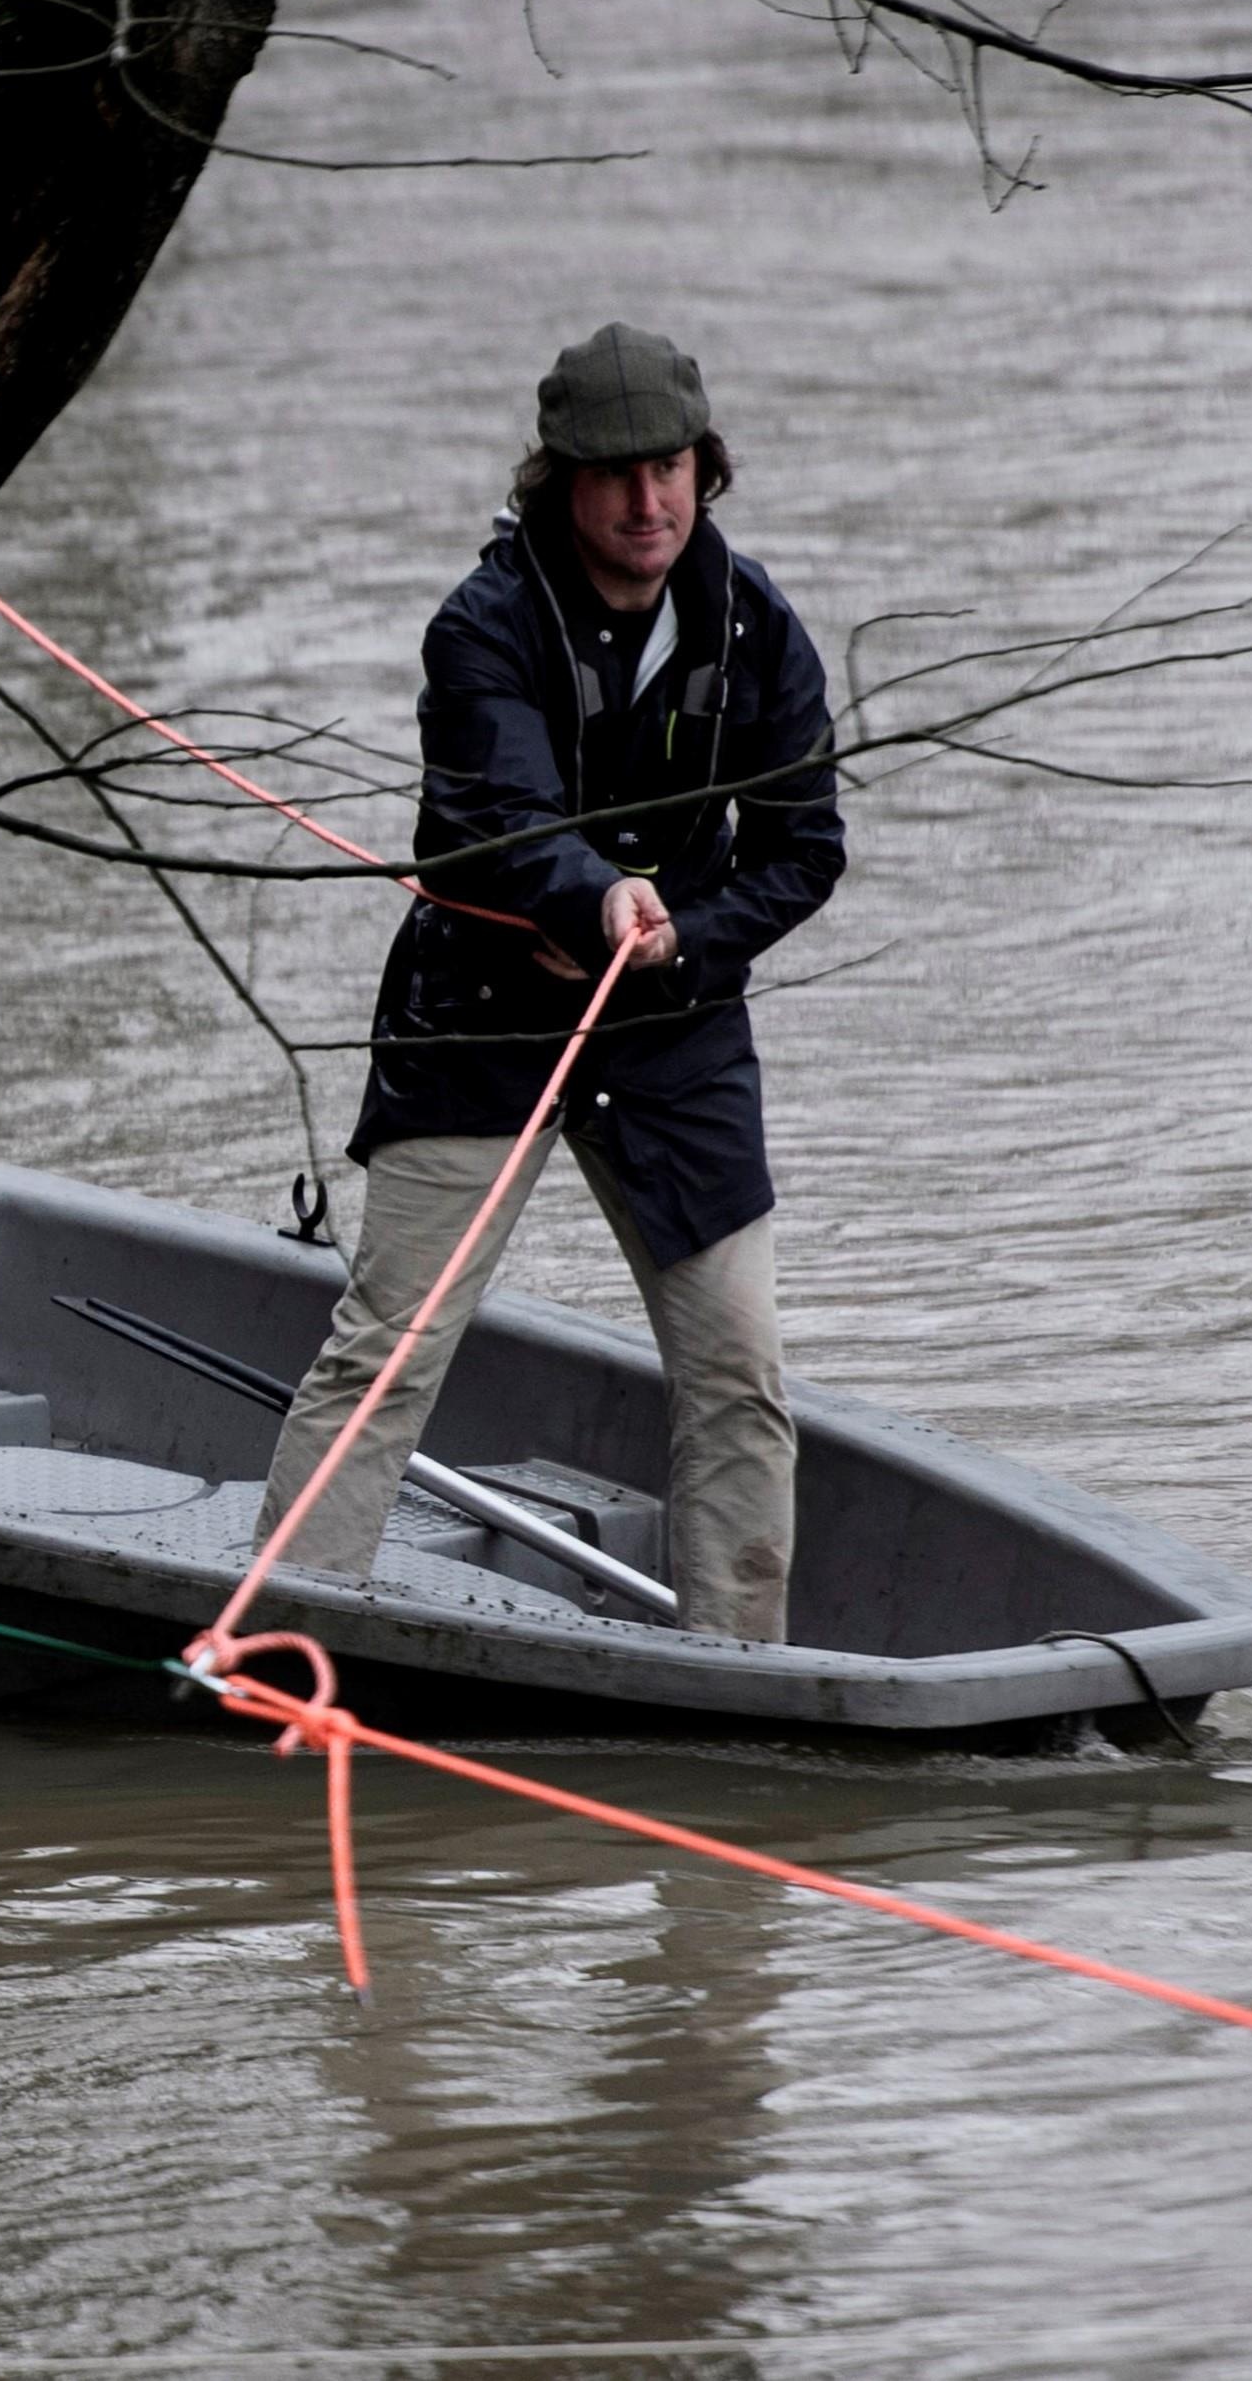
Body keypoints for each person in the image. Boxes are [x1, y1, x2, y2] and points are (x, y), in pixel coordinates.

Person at [254, 323, 846, 1641]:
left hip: (675, 1022)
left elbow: (806, 851)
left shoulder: (759, 625)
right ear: (559, 481)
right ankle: (280, 1641)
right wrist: (591, 895)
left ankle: (734, 1674)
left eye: (671, 467)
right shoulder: (482, 625)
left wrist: (685, 930)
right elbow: (500, 813)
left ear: (705, 467)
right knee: (383, 1350)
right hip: (481, 1014)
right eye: (616, 472)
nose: (648, 500)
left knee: (740, 1376)